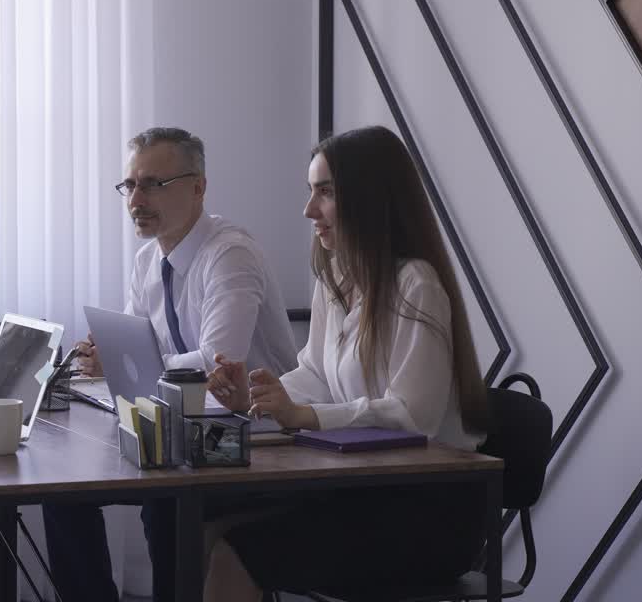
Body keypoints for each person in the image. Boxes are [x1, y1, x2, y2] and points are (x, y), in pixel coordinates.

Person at [202, 125, 492, 600]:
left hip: (429, 511)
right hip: (363, 492)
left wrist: (304, 416)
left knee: (237, 551)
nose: (309, 209)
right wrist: (255, 398)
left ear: (370, 198)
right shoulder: (334, 277)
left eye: (326, 193)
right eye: (310, 191)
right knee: (208, 527)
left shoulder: (416, 284)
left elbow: (411, 416)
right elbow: (315, 373)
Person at [43, 127, 297, 602]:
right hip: (181, 432)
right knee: (64, 492)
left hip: (256, 437)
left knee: (165, 501)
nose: (137, 198)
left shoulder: (230, 255)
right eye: (131, 185)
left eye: (154, 184)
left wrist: (132, 362)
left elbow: (218, 364)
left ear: (198, 186)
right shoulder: (147, 260)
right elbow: (138, 352)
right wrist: (106, 360)